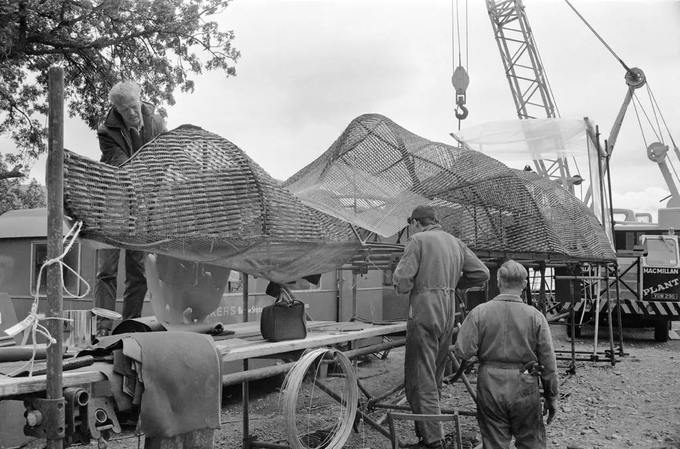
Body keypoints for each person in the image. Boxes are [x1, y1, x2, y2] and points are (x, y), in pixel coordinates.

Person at [393, 205, 490, 449]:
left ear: (415, 222)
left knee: (420, 376)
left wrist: (404, 281)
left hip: (425, 311)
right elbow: (482, 272)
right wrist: (455, 285)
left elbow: (403, 282)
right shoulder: (456, 243)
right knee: (435, 375)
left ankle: (434, 440)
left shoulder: (417, 241)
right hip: (448, 312)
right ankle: (428, 432)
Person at [453, 260, 558, 449]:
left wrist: (464, 333)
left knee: (494, 443)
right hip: (524, 382)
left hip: (490, 383)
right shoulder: (535, 316)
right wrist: (552, 397)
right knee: (530, 442)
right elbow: (548, 362)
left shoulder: (479, 313)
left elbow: (463, 351)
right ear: (524, 284)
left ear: (498, 281)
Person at [94, 81, 166, 337]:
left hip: (141, 206)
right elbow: (122, 166)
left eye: (134, 107)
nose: (132, 113)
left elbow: (163, 158)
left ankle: (129, 325)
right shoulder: (106, 132)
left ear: (140, 100)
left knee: (138, 271)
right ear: (117, 110)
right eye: (125, 110)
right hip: (112, 204)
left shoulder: (157, 123)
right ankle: (102, 328)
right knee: (107, 270)